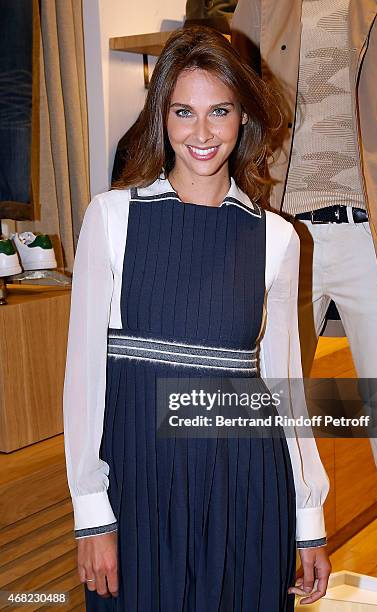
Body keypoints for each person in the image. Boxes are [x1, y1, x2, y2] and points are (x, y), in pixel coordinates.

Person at [63, 26, 331, 611]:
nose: (203, 133)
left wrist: (308, 516)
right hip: (140, 485)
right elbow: (84, 380)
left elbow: (284, 386)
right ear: (161, 115)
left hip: (246, 483)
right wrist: (91, 512)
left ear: (243, 119)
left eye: (221, 111)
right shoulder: (111, 218)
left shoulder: (277, 237)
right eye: (185, 111)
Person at [231, 1, 377, 610]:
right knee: (267, 415)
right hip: (283, 232)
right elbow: (239, 99)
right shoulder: (263, 3)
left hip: (372, 232)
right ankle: (269, 580)